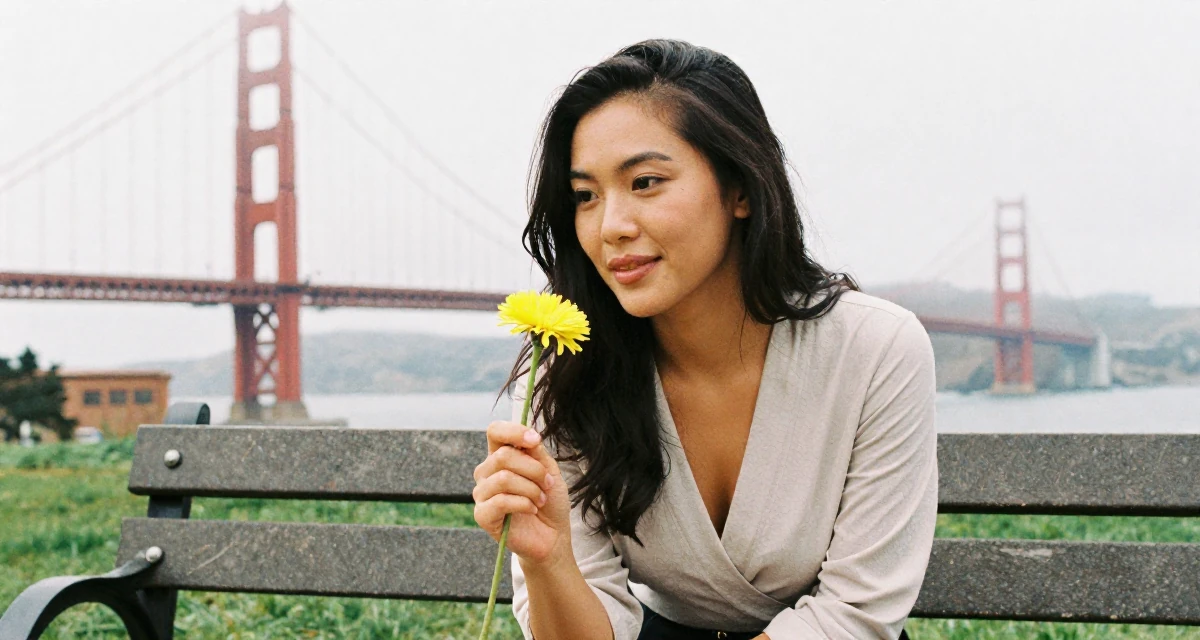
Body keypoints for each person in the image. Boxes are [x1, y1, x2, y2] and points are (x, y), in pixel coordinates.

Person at [471, 39, 937, 640]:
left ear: (739, 188)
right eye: (585, 196)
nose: (611, 226)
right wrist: (549, 558)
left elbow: (855, 611)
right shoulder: (566, 367)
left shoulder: (876, 350)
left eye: (645, 182)